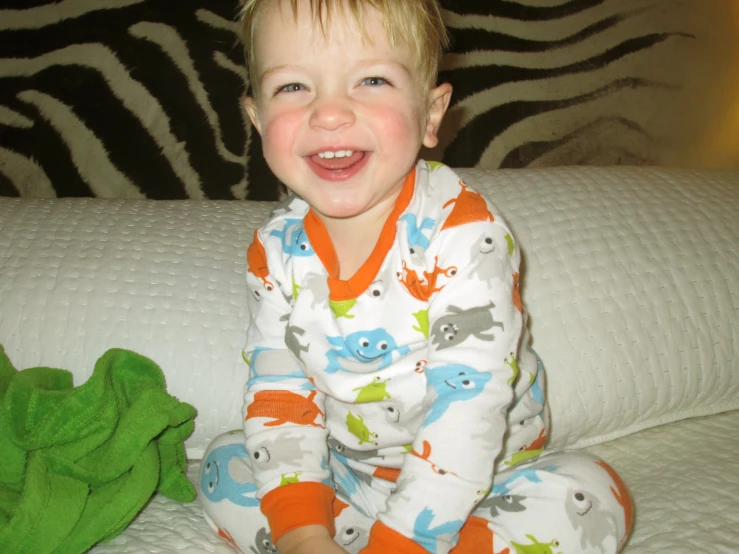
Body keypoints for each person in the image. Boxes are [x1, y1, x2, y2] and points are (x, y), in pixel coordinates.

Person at [199, 1, 633, 553]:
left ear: (430, 114)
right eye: (292, 88)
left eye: (371, 80)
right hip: (348, 478)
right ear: (257, 118)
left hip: (487, 476)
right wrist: (304, 534)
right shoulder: (275, 251)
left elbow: (469, 405)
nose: (329, 113)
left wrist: (402, 543)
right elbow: (280, 392)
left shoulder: (462, 232)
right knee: (225, 464)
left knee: (593, 494)